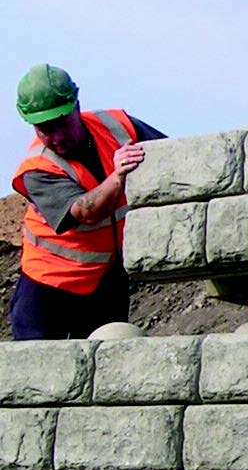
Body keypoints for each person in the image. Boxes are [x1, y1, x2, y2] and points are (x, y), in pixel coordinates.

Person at [9, 64, 166, 340]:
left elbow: (170, 155)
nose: (57, 137)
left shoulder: (118, 126)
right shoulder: (37, 168)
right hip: (48, 286)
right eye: (45, 129)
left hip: (105, 279)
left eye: (62, 122)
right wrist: (119, 177)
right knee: (40, 372)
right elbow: (85, 211)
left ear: (77, 106)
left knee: (106, 363)